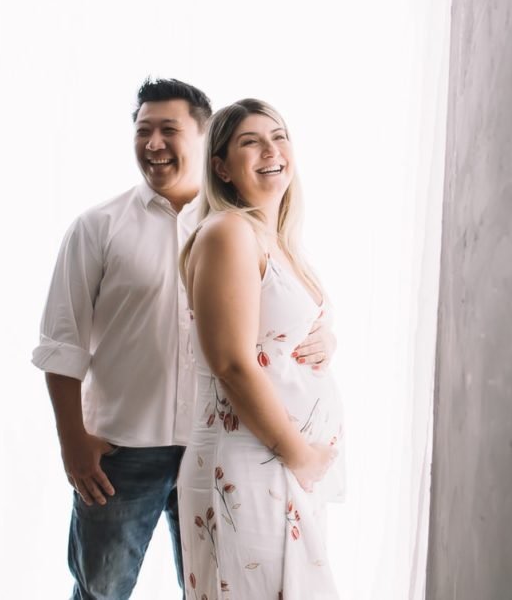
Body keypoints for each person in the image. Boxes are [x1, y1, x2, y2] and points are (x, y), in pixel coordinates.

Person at [32, 80, 336, 600]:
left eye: (168, 130)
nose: (153, 144)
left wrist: (324, 337)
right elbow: (62, 345)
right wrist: (73, 443)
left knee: (208, 588)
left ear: (203, 137)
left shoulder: (243, 224)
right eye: (143, 131)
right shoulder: (98, 227)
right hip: (125, 449)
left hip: (222, 444)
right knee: (100, 589)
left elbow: (277, 315)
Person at [178, 98, 345, 599]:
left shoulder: (279, 241)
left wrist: (327, 339)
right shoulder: (229, 233)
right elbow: (231, 362)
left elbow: (280, 330)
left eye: (279, 137)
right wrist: (300, 455)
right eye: (251, 142)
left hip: (278, 466)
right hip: (250, 463)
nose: (271, 150)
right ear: (221, 168)